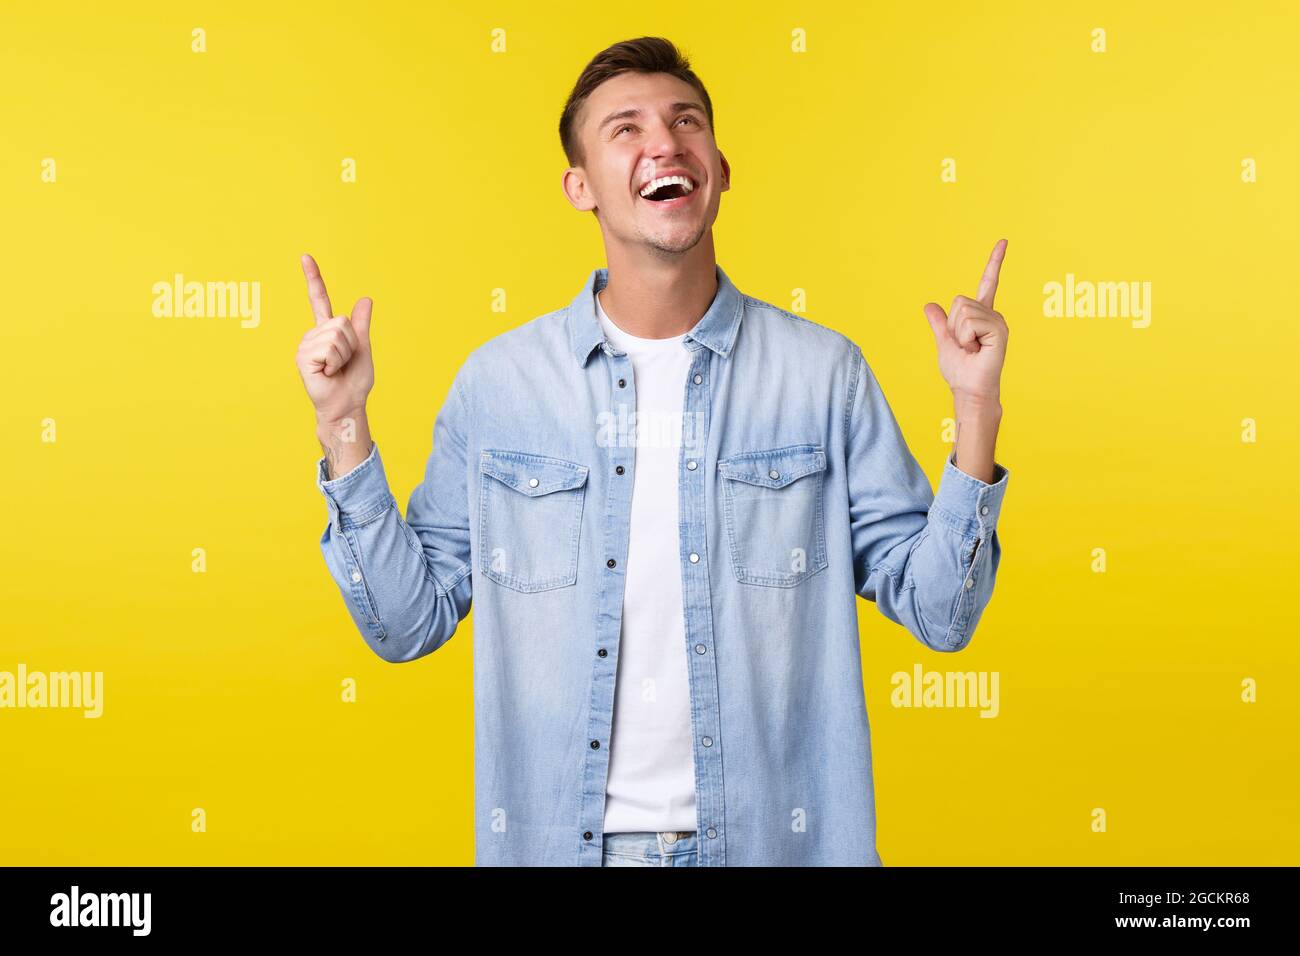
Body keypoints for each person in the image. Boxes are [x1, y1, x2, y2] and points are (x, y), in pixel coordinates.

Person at [295, 36, 1010, 867]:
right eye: (624, 130)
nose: (664, 144)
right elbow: (405, 624)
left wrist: (975, 406)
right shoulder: (501, 387)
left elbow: (942, 615)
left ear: (720, 167)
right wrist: (344, 424)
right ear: (580, 186)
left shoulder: (822, 375)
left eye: (686, 122)